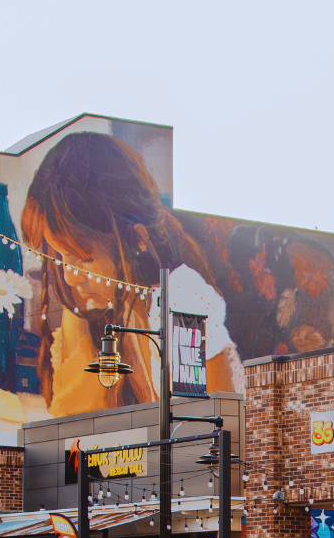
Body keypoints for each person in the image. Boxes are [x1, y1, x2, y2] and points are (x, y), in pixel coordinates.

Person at [21, 132, 242, 417]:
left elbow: (202, 436)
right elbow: (71, 412)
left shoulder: (182, 307)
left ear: (136, 239)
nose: (70, 277)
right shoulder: (114, 304)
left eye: (83, 258)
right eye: (62, 258)